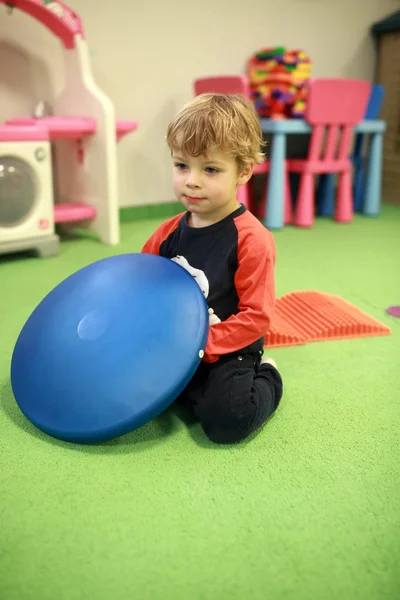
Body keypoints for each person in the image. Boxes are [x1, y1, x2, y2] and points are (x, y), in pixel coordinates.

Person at [142, 93, 283, 444]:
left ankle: (268, 377)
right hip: (179, 340)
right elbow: (141, 282)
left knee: (227, 422)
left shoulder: (252, 240)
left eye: (210, 169)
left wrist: (203, 342)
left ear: (244, 171)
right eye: (181, 166)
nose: (192, 180)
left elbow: (256, 317)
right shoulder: (168, 232)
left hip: (231, 346)